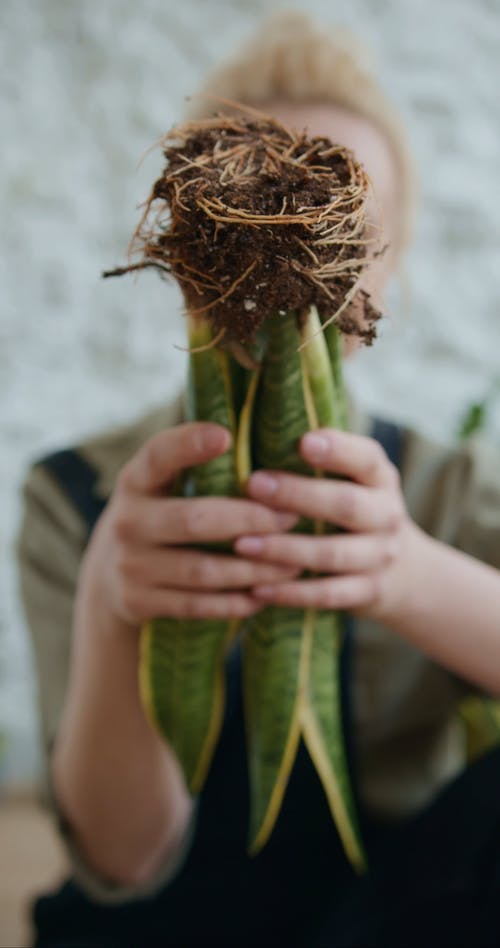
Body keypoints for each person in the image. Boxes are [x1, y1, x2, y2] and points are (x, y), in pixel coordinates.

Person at [18, 11, 500, 948]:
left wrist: (409, 576)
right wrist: (111, 609)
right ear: (180, 243)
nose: (284, 264)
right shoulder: (74, 495)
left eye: (340, 225)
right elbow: (121, 860)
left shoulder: (447, 491)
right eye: (243, 216)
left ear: (388, 269)